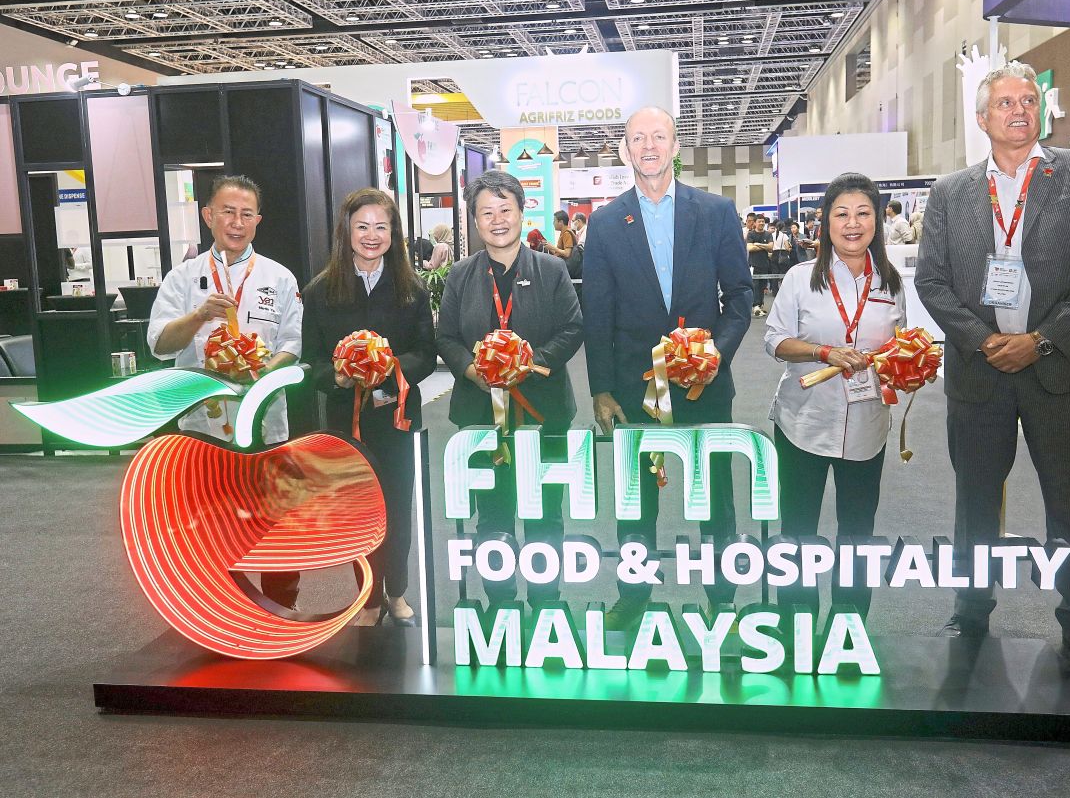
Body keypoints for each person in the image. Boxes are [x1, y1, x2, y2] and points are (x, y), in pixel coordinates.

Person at [915, 61, 1070, 683]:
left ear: (1042, 111)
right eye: (1004, 103)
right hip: (982, 374)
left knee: (1069, 503)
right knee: (975, 502)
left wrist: (1041, 340)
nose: (1018, 111)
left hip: (1058, 370)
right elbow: (932, 280)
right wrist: (985, 340)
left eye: (1028, 101)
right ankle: (970, 613)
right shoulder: (952, 192)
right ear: (982, 119)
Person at [583, 105, 753, 629]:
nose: (649, 146)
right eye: (638, 138)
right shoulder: (607, 223)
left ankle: (721, 598)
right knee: (635, 501)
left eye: (659, 137)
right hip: (635, 386)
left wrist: (714, 353)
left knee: (716, 498)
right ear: (625, 150)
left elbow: (741, 295)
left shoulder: (717, 212)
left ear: (676, 147)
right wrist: (601, 389)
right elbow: (599, 312)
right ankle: (634, 594)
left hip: (705, 386)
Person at [146, 174, 303, 611]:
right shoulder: (182, 278)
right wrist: (198, 316)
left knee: (275, 525)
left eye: (246, 214)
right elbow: (159, 345)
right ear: (208, 216)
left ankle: (281, 614)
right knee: (211, 527)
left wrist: (261, 372)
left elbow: (293, 343)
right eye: (227, 212)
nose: (237, 222)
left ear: (258, 220)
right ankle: (224, 616)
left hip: (266, 424)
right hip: (202, 428)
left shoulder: (279, 277)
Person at [437, 170, 584, 607]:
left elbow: (573, 328)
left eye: (506, 210)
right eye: (486, 212)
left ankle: (545, 603)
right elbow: (445, 337)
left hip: (544, 413)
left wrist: (529, 365)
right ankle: (499, 604)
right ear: (474, 221)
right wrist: (470, 371)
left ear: (522, 213)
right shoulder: (460, 276)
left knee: (544, 516)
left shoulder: (551, 269)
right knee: (493, 515)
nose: (497, 220)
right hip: (480, 416)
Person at [765, 173, 905, 621]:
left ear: (877, 221)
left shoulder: (890, 283)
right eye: (841, 213)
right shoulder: (800, 278)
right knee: (798, 529)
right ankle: (794, 619)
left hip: (867, 426)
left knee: (857, 532)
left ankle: (849, 621)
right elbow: (774, 341)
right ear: (825, 222)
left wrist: (909, 365)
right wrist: (824, 352)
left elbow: (897, 344)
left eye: (863, 213)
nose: (852, 223)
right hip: (802, 421)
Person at [301, 188, 437, 626]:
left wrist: (389, 369)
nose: (372, 235)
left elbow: (426, 354)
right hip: (346, 422)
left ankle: (396, 591)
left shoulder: (410, 289)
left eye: (382, 226)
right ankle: (366, 596)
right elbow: (311, 361)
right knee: (357, 512)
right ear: (347, 231)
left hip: (397, 420)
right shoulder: (321, 292)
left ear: (394, 233)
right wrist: (337, 376)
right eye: (362, 226)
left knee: (398, 506)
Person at [747, 214, 774, 316]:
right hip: (753, 264)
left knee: (763, 285)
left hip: (765, 264)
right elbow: (750, 248)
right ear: (755, 223)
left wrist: (758, 244)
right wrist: (765, 246)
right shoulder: (751, 234)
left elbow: (771, 248)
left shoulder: (768, 234)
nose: (761, 223)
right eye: (759, 221)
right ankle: (755, 306)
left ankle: (760, 305)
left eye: (763, 221)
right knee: (755, 285)